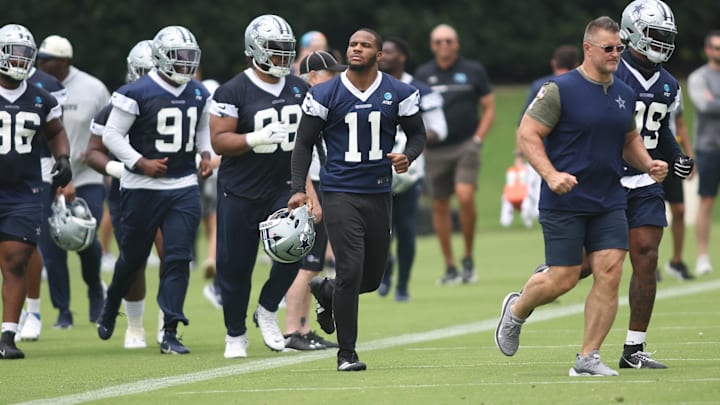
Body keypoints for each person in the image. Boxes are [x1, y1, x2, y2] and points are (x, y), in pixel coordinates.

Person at [495, 16, 668, 377]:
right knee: (564, 278)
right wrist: (550, 174)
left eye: (619, 48)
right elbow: (528, 134)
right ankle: (517, 310)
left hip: (610, 199)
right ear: (588, 48)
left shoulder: (624, 93)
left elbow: (628, 139)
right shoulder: (560, 89)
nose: (616, 54)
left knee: (610, 271)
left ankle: (588, 358)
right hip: (565, 200)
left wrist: (648, 163)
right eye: (608, 48)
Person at [289, 28, 427, 371]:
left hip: (379, 192)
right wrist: (298, 188)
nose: (357, 49)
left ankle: (326, 291)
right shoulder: (325, 93)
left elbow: (418, 134)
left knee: (370, 279)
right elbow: (303, 143)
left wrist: (408, 155)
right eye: (352, 44)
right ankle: (346, 354)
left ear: (378, 55)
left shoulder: (399, 92)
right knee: (350, 270)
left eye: (365, 45)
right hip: (339, 191)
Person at [96, 26, 213, 355]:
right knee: (132, 259)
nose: (187, 64)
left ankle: (170, 330)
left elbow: (201, 127)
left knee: (178, 257)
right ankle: (110, 305)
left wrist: (204, 153)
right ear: (161, 57)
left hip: (182, 185)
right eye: (180, 57)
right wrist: (139, 162)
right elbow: (111, 136)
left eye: (191, 57)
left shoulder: (199, 92)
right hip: (142, 187)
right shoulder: (137, 91)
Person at [209, 14, 309, 358]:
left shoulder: (299, 88)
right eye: (276, 50)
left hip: (284, 186)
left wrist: (306, 186)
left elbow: (308, 143)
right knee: (235, 266)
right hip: (240, 189)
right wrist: (255, 137)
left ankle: (267, 308)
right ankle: (235, 333)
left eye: (286, 50)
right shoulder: (233, 89)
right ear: (256, 49)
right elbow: (219, 141)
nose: (283, 57)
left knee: (298, 247)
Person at [613, 0, 694, 369]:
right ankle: (527, 298)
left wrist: (677, 156)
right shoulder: (611, 71)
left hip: (646, 178)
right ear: (631, 32)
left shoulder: (668, 83)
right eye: (654, 34)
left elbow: (661, 130)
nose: (661, 43)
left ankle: (633, 349)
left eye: (666, 36)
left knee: (646, 254)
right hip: (606, 177)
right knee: (580, 267)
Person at [0, 23, 72, 359]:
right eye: (14, 53)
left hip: (24, 190)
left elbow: (56, 130)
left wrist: (63, 157)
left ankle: (7, 335)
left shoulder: (41, 96)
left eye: (26, 55)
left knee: (16, 259)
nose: (20, 60)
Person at [85, 39, 162, 349]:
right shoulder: (117, 103)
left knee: (173, 256)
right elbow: (92, 152)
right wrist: (120, 169)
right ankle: (134, 325)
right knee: (134, 259)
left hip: (170, 189)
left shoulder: (176, 99)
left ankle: (167, 324)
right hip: (129, 192)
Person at [36, 34, 110, 328]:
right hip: (46, 176)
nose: (40, 63)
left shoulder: (93, 88)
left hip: (86, 175)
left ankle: (94, 287)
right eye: (38, 58)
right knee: (51, 246)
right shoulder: (34, 87)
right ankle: (63, 309)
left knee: (86, 239)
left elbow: (111, 125)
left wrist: (97, 154)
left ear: (63, 61)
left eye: (46, 59)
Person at [414, 23, 495, 284]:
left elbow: (489, 107)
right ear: (432, 45)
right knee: (439, 205)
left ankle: (468, 257)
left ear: (456, 43)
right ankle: (450, 266)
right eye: (439, 42)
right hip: (434, 150)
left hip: (465, 146)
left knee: (465, 194)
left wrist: (477, 139)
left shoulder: (473, 70)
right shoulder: (423, 74)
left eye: (448, 41)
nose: (444, 45)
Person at [282, 50, 346, 351]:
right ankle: (292, 329)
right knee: (308, 265)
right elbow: (301, 153)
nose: (335, 78)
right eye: (329, 73)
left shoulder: (318, 101)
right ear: (313, 77)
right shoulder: (305, 103)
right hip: (312, 184)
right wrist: (310, 194)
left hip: (319, 182)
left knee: (315, 263)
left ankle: (304, 329)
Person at [377, 36, 447, 301]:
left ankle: (402, 285)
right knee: (380, 230)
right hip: (374, 170)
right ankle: (385, 271)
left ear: (403, 56)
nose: (384, 56)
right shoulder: (368, 86)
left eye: (390, 52)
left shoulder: (420, 91)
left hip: (408, 171)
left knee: (406, 229)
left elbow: (440, 128)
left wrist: (409, 141)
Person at [14, 64, 67, 342]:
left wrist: (64, 162)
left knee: (28, 243)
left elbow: (57, 132)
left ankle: (32, 311)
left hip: (35, 171)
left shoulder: (44, 89)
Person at [688, 30, 720, 277]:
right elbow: (706, 105)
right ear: (708, 50)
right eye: (716, 48)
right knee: (706, 200)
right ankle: (702, 255)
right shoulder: (699, 77)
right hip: (709, 147)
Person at [663, 101, 695, 280]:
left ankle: (677, 261)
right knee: (651, 211)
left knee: (679, 209)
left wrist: (688, 156)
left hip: (671, 154)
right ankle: (649, 261)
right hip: (647, 154)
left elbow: (680, 125)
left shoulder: (671, 86)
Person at [521, 45, 580, 115]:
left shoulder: (539, 85)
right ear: (577, 65)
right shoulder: (582, 85)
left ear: (553, 63)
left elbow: (525, 118)